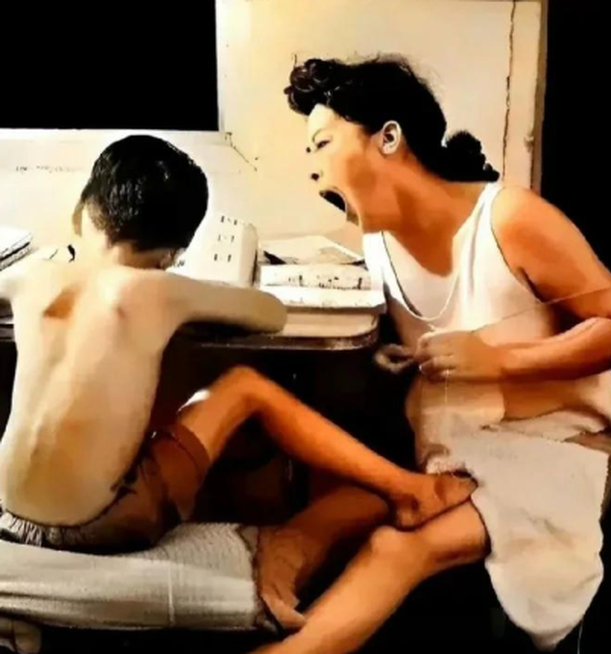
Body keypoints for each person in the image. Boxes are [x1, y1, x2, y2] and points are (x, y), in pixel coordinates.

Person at [249, 55, 611, 653]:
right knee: (318, 515)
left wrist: (499, 361)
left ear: (388, 138)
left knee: (396, 548)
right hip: (455, 450)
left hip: (558, 450)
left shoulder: (510, 219)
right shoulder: (379, 243)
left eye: (322, 143)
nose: (312, 169)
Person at [0, 134, 472, 560]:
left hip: (11, 516)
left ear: (80, 213)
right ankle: (410, 490)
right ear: (171, 255)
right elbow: (270, 313)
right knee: (246, 385)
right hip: (101, 527)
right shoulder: (159, 289)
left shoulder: (31, 277)